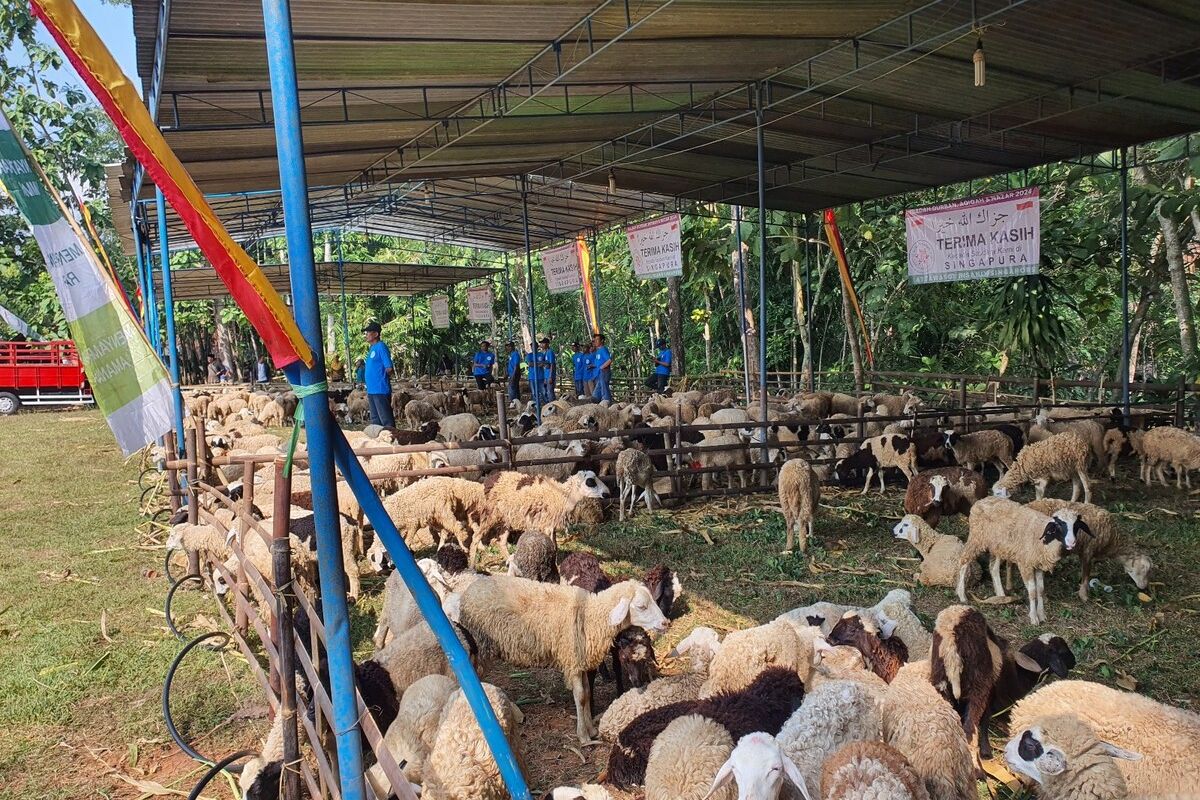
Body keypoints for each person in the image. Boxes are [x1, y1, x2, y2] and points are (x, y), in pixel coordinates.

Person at [362, 321, 395, 427]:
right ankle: (378, 441)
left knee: (385, 418)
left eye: (368, 332)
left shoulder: (381, 347)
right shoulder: (372, 348)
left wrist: (381, 377)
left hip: (380, 388)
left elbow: (389, 367)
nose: (366, 335)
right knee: (375, 419)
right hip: (372, 389)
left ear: (376, 334)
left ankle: (391, 438)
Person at [591, 332, 612, 402]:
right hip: (600, 373)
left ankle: (606, 400)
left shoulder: (603, 349)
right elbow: (599, 362)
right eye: (595, 340)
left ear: (602, 341)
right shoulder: (598, 351)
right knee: (600, 387)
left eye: (597, 340)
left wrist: (602, 367)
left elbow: (609, 360)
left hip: (604, 371)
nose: (595, 342)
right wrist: (593, 366)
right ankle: (596, 399)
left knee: (604, 387)